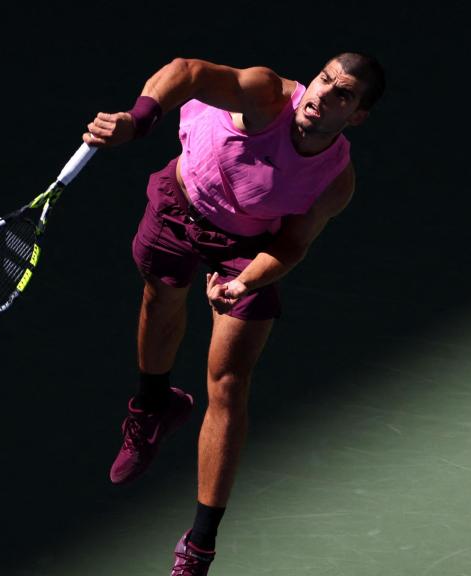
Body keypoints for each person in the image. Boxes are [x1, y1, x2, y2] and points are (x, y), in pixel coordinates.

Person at [82, 53, 385, 575]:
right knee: (162, 298)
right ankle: (153, 406)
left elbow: (292, 245)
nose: (323, 96)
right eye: (324, 80)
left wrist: (244, 281)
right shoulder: (266, 95)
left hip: (247, 246)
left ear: (356, 116)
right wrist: (140, 119)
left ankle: (199, 545)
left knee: (228, 383)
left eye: (344, 95)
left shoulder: (335, 180)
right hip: (181, 200)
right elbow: (186, 72)